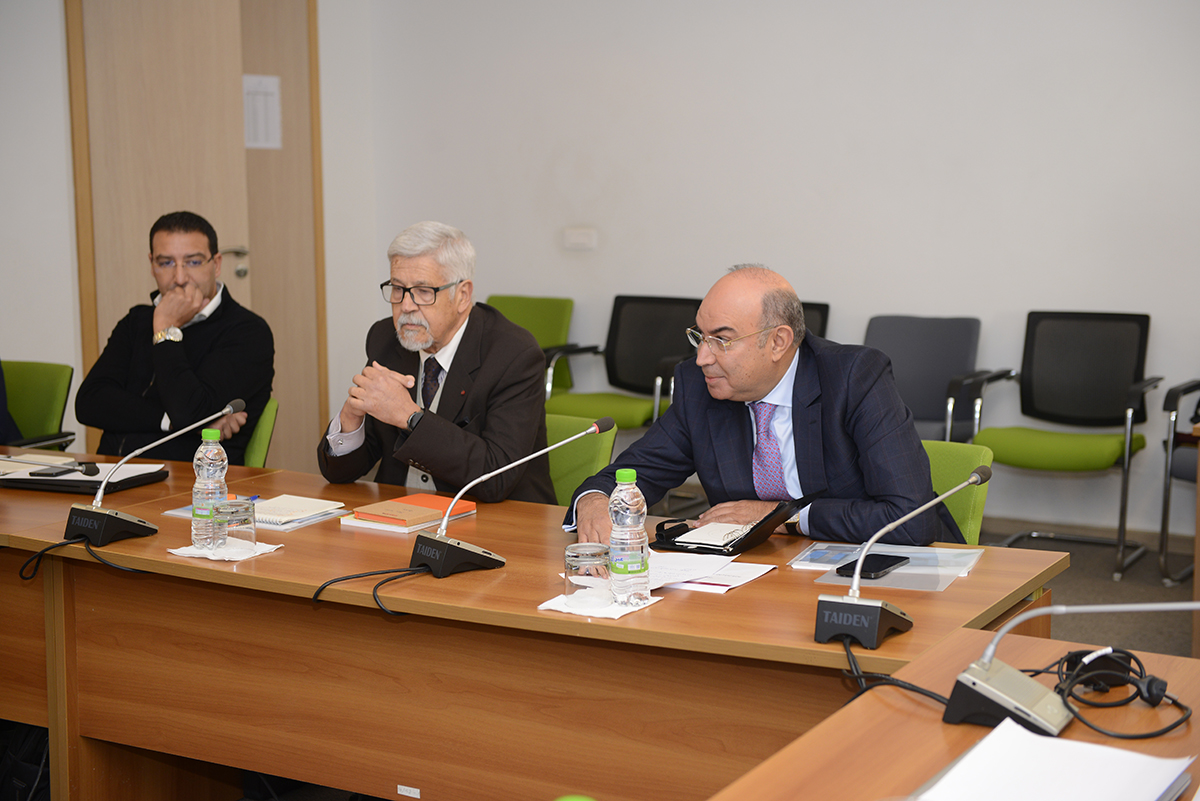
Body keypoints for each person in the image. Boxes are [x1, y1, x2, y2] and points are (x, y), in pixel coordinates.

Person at [565, 264, 963, 546]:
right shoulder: (699, 386)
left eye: (722, 340)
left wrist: (781, 517)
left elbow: (909, 519)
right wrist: (596, 501)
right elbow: (633, 475)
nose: (702, 357)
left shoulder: (854, 378)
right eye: (699, 336)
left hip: (878, 568)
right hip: (761, 572)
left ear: (777, 342)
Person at [317, 221, 555, 503]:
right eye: (398, 288)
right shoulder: (386, 339)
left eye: (423, 291)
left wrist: (410, 417)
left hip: (497, 518)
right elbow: (342, 473)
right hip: (401, 514)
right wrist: (350, 423)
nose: (406, 306)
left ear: (462, 295)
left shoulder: (513, 355)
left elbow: (495, 477)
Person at [75, 211, 274, 464]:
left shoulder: (248, 331)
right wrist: (169, 421)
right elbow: (89, 402)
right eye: (166, 263)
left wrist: (165, 331)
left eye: (193, 262)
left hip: (192, 480)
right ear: (152, 265)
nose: (179, 278)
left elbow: (190, 412)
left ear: (216, 264)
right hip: (110, 472)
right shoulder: (136, 321)